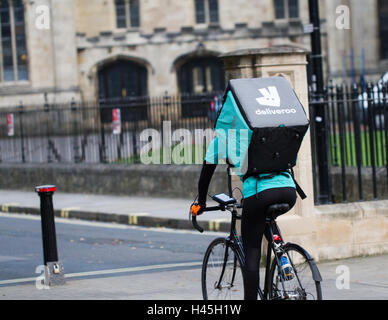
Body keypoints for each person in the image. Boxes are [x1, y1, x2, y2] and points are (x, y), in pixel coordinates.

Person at [191, 134, 297, 300]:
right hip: (289, 190)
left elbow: (205, 176)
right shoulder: (262, 131)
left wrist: (201, 204)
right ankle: (282, 256)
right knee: (265, 218)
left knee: (252, 254)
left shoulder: (223, 139)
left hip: (259, 193)